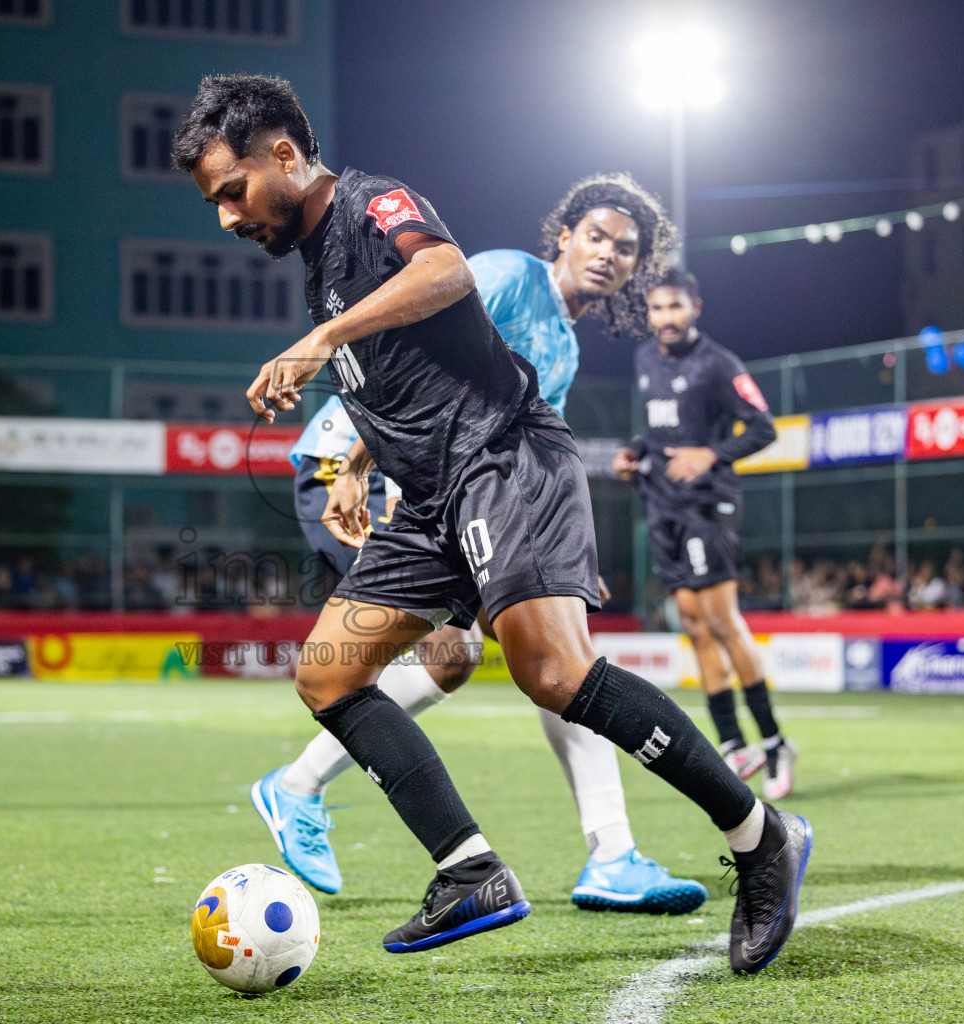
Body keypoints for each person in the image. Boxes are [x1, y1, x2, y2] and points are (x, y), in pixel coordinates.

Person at [173, 74, 810, 973]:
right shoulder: (320, 266)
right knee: (325, 673)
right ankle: (468, 870)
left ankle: (759, 838)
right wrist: (358, 461)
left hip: (503, 460)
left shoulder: (370, 204)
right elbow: (393, 376)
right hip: (428, 497)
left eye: (232, 193)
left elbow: (443, 270)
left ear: (283, 154)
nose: (229, 218)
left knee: (552, 674)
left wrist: (321, 342)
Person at [252, 176, 707, 918]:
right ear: (562, 235)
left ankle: (299, 786)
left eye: (627, 249)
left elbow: (517, 445)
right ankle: (609, 852)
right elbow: (408, 359)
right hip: (360, 471)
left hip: (433, 481)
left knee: (494, 653)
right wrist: (369, 469)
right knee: (550, 649)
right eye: (596, 236)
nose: (608, 254)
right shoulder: (507, 276)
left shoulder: (560, 347)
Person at [612, 271, 797, 800]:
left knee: (722, 619)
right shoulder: (645, 359)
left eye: (674, 307)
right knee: (693, 624)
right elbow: (658, 431)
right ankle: (736, 744)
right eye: (656, 309)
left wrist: (711, 454)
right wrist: (636, 453)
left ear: (695, 306)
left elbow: (763, 427)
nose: (665, 318)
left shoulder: (719, 364)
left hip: (706, 505)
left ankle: (775, 741)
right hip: (661, 502)